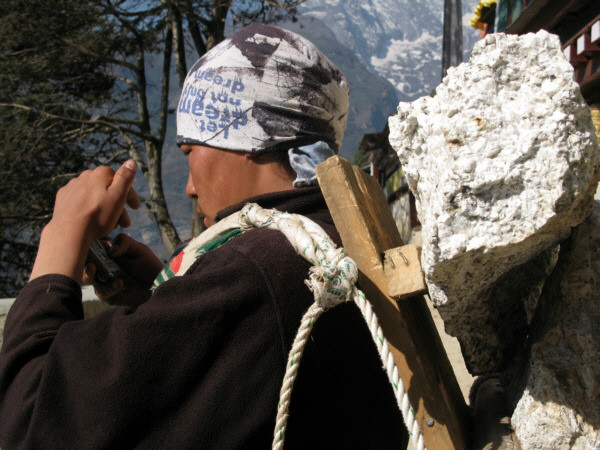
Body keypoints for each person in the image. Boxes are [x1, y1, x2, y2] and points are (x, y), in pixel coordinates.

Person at [0, 23, 408, 449]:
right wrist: (167, 292)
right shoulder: (332, 239)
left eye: (189, 150)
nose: (190, 186)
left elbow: (30, 422)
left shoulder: (253, 272)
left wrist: (63, 230)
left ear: (242, 137)